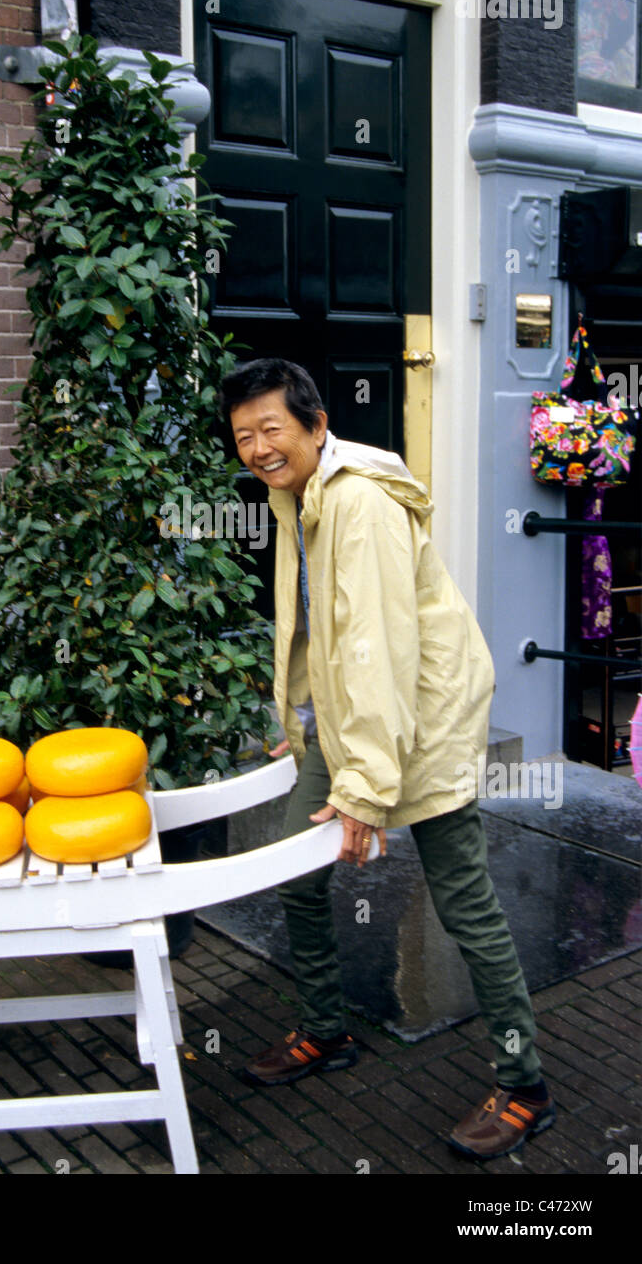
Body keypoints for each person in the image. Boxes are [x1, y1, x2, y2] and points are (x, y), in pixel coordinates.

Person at [217, 357, 555, 1161]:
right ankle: (327, 1031)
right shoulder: (295, 495)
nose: (260, 447)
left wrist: (365, 792)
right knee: (297, 876)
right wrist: (298, 720)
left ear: (316, 425)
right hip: (353, 721)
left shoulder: (360, 504)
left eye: (272, 428)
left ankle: (525, 1085)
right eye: (244, 435)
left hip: (421, 722)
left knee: (463, 902)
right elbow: (311, 629)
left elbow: (375, 648)